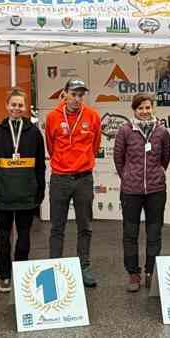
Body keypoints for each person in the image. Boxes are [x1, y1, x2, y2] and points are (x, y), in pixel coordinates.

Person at [0, 88, 46, 293]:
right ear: (7, 106)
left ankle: (20, 271)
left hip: (26, 193)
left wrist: (40, 190)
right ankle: (4, 274)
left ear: (25, 107)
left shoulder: (34, 133)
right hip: (2, 193)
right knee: (2, 236)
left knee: (24, 235)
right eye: (13, 104)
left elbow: (40, 166)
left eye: (20, 105)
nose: (16, 108)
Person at [44, 79, 101, 287]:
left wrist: (82, 163)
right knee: (57, 226)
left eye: (80, 95)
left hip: (83, 178)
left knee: (85, 225)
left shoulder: (92, 116)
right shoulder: (52, 117)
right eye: (74, 94)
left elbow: (95, 146)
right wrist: (64, 164)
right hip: (60, 178)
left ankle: (84, 265)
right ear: (65, 93)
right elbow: (50, 146)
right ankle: (55, 267)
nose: (77, 99)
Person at [114, 93, 170, 292]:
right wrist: (129, 177)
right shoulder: (125, 130)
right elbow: (118, 159)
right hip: (131, 191)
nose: (145, 112)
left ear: (152, 108)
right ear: (134, 110)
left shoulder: (162, 131)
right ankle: (133, 274)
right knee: (130, 234)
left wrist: (155, 175)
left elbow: (166, 157)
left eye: (148, 108)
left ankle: (150, 272)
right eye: (140, 108)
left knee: (154, 233)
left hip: (156, 190)